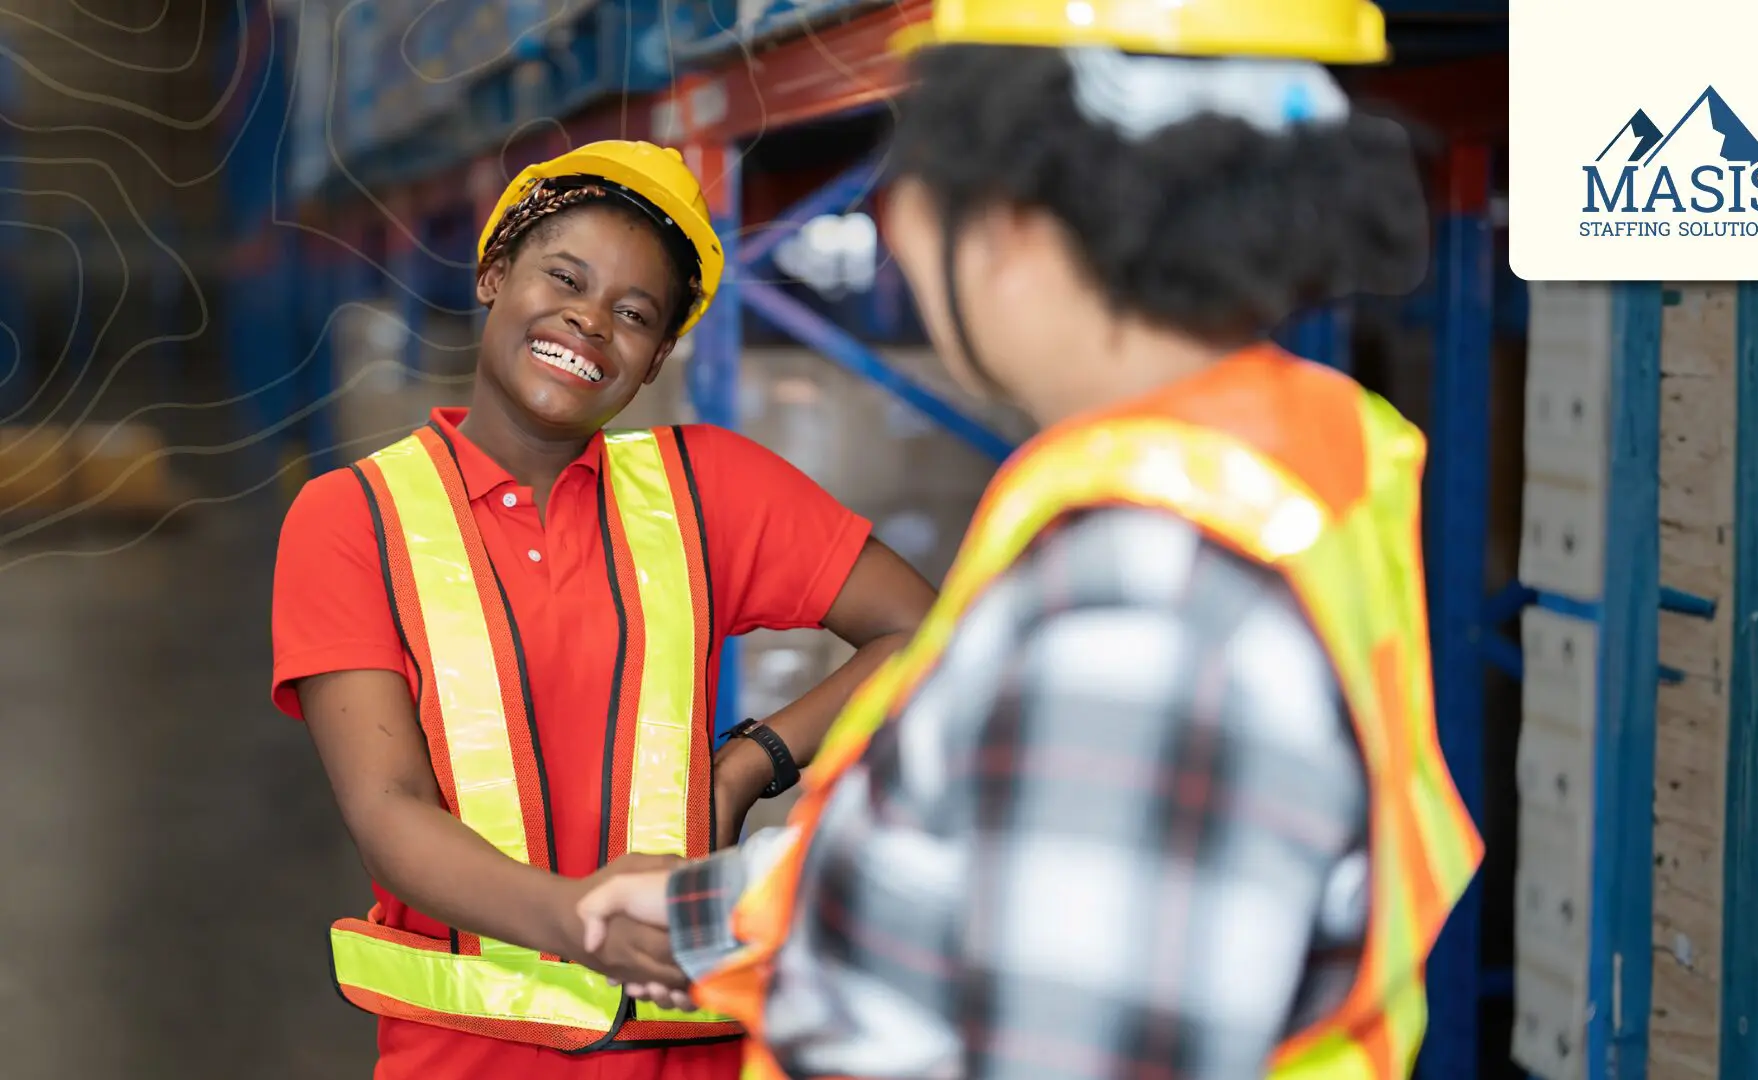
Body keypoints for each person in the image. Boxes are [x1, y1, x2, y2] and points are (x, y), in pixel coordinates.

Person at [572, 2, 1488, 1079]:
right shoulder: (1262, 452)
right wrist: (703, 917)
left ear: (1008, 223)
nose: (903, 240)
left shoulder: (1143, 611)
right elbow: (1005, 867)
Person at [270, 139, 937, 1080]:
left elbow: (929, 635)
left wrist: (751, 763)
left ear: (658, 353)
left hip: (694, 1054)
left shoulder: (709, 489)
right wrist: (583, 921)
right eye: (564, 278)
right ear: (495, 274)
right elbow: (387, 806)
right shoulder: (352, 520)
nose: (588, 323)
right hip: (463, 1061)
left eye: (633, 313)